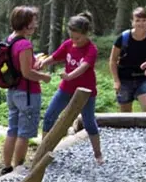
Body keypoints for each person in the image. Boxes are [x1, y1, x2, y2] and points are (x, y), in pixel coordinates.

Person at [36, 12, 104, 164]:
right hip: (66, 89)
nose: (74, 41)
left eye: (77, 38)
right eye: (72, 37)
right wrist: (44, 63)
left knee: (88, 121)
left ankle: (97, 153)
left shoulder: (91, 49)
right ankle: (44, 151)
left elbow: (83, 67)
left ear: (86, 34)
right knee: (49, 115)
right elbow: (55, 57)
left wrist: (69, 76)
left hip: (85, 92)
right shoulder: (68, 44)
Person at [0, 5, 52, 175]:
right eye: (34, 21)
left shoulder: (10, 40)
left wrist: (34, 60)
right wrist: (44, 77)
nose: (36, 24)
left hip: (13, 91)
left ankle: (7, 167)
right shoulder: (24, 44)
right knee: (24, 133)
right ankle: (19, 168)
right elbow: (27, 73)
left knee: (12, 129)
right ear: (26, 24)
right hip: (27, 93)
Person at [109, 7, 146, 112]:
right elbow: (113, 60)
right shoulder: (123, 37)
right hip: (124, 79)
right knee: (125, 113)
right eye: (137, 20)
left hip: (145, 78)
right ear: (132, 22)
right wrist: (116, 81)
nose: (141, 23)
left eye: (144, 20)